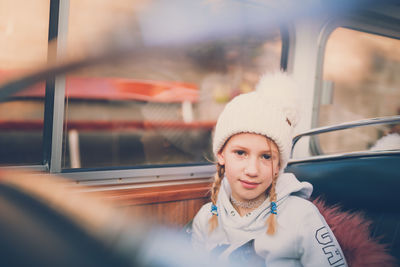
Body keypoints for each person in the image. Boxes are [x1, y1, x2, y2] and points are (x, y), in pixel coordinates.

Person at [191, 71, 348, 266]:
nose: (252, 170)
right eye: (240, 153)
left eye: (266, 157)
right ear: (221, 155)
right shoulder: (206, 218)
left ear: (278, 166)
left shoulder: (302, 216)